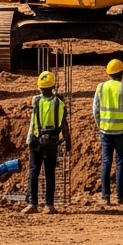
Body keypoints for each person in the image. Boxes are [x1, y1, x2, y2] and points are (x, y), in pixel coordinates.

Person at [93, 58, 123, 205]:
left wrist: (100, 125)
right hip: (121, 132)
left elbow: (95, 110)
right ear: (121, 73)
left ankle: (105, 197)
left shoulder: (100, 88)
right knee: (120, 162)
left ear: (109, 73)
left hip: (106, 132)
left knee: (106, 162)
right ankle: (120, 196)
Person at [24, 71, 71, 214]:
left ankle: (33, 203)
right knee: (50, 173)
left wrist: (29, 140)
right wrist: (68, 141)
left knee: (34, 173)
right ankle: (49, 205)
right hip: (52, 142)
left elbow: (32, 122)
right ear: (53, 86)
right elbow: (64, 124)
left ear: (40, 88)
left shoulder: (35, 100)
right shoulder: (59, 103)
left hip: (36, 141)